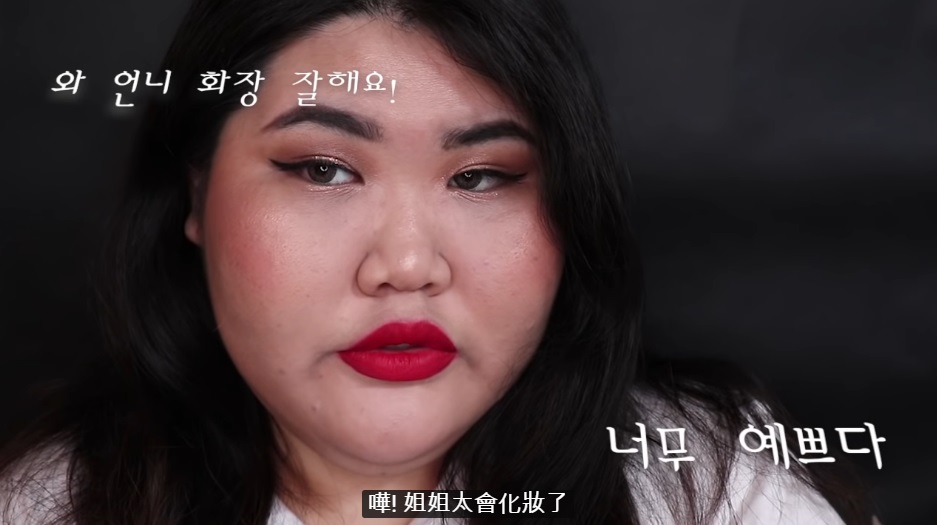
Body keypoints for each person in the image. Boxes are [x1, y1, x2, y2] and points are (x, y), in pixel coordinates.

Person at [0, 0, 876, 523]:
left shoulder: (710, 492)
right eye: (322, 168)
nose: (407, 263)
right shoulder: (55, 507)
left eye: (481, 176)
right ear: (195, 194)